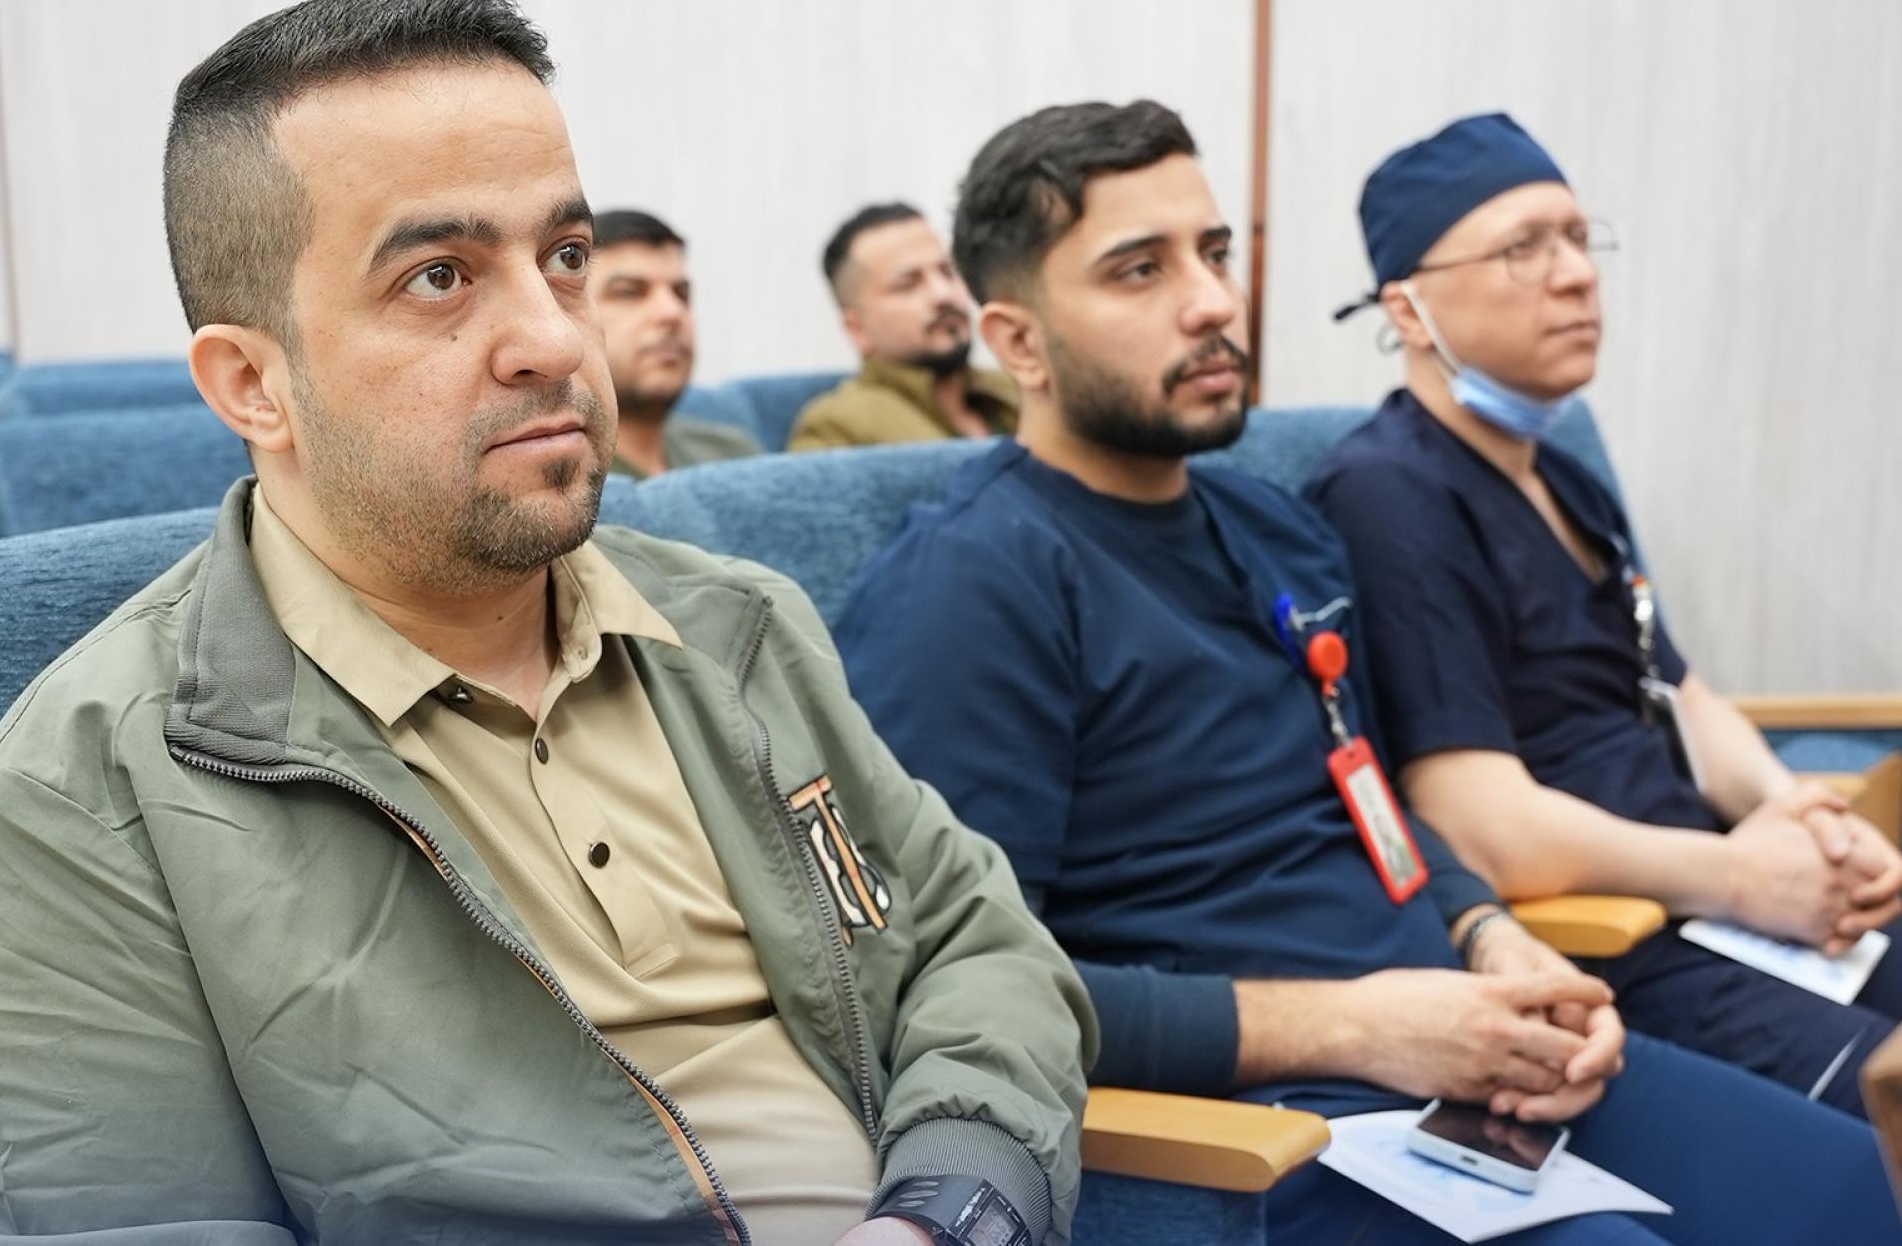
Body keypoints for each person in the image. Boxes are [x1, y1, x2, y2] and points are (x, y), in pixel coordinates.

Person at [0, 0, 1096, 1246]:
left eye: (565, 257)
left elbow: (976, 946)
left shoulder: (730, 625)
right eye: (439, 277)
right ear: (253, 383)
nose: (553, 338)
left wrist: (946, 1210)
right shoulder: (79, 791)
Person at [835, 98, 1902, 1244]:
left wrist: (1493, 939)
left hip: (1461, 1053)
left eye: (1213, 253)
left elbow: (1371, 803)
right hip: (1263, 1120)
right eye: (1139, 270)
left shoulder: (1274, 532)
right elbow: (948, 981)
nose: (1211, 301)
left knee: (1856, 1188)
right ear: (1016, 343)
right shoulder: (969, 585)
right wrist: (1356, 1027)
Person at [1304, 112, 1902, 1114]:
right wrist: (1739, 875)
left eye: (1579, 238)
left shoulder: (1563, 481)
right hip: (1613, 943)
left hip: (1715, 902)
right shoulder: (1388, 495)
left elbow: (1676, 689)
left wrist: (1794, 811)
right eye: (1523, 248)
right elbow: (1477, 822)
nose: (1577, 275)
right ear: (1407, 309)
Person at [789, 203, 1018, 450]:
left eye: (947, 272)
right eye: (908, 284)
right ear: (857, 329)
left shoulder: (1020, 387)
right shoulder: (836, 428)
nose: (943, 294)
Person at [589, 208, 760, 478]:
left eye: (681, 294)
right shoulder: (556, 480)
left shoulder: (733, 454)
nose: (672, 312)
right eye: (630, 292)